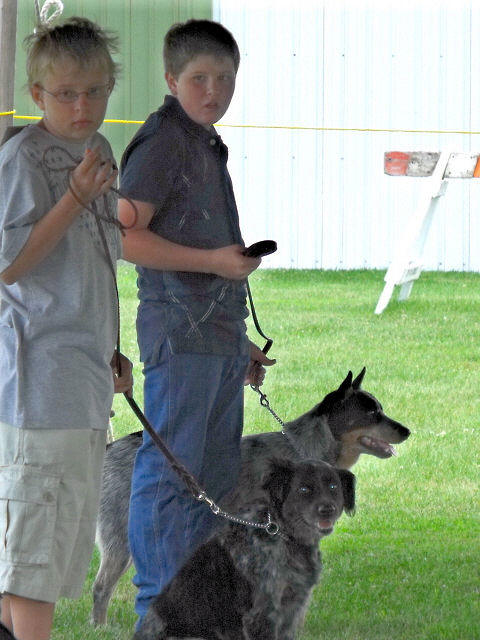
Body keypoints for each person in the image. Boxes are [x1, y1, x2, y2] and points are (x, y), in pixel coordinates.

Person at [118, 18, 276, 623]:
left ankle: (197, 613)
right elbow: (124, 237)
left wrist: (239, 340)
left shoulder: (203, 140)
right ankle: (159, 615)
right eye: (200, 78)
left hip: (215, 337)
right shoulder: (163, 142)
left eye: (225, 79)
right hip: (178, 335)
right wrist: (215, 262)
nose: (214, 91)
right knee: (171, 475)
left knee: (209, 479)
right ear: (170, 79)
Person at [0, 17, 133, 640]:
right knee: (35, 560)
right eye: (66, 94)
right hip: (40, 387)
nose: (83, 107)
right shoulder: (23, 158)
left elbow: (96, 260)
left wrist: (111, 348)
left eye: (95, 91)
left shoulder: (97, 149)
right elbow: (9, 265)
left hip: (83, 380)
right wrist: (74, 197)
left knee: (54, 547)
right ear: (38, 95)